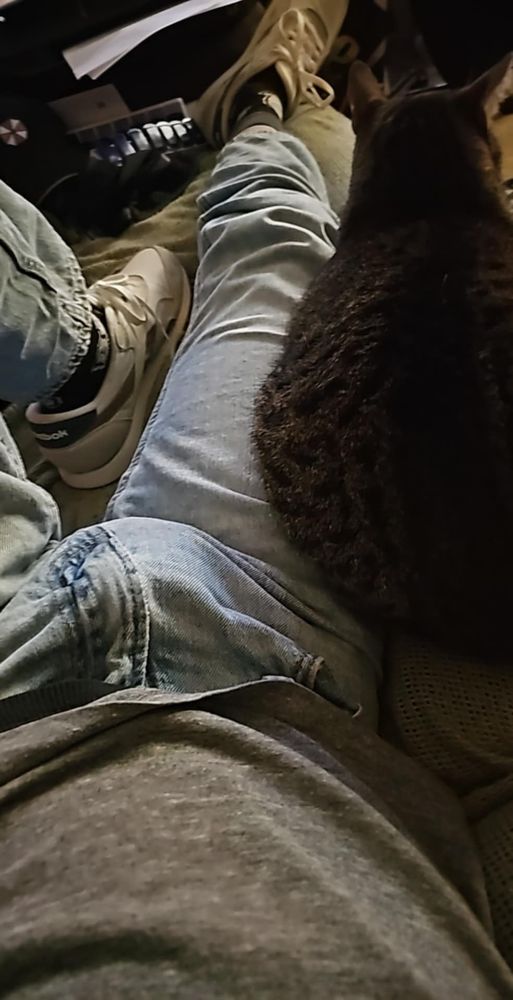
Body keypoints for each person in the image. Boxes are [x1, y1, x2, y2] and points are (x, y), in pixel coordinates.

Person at [0, 0, 512, 995]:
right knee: (271, 238)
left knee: (271, 242)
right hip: (247, 664)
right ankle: (267, 112)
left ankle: (260, 120)